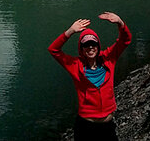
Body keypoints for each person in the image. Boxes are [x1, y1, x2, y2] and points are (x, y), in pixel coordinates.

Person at [48, 11, 132, 140]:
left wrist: (120, 23)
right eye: (86, 45)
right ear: (81, 48)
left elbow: (125, 40)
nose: (90, 47)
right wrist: (70, 31)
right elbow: (53, 50)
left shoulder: (109, 58)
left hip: (108, 126)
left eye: (93, 44)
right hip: (85, 127)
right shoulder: (74, 65)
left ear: (98, 46)